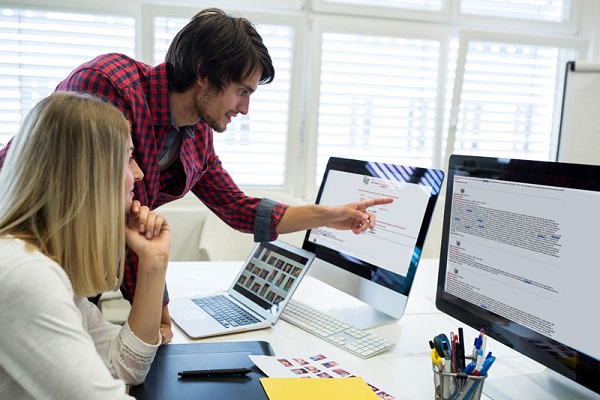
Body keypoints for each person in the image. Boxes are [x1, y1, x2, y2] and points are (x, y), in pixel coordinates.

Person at [0, 8, 393, 343]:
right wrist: (155, 304)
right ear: (205, 72)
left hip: (72, 277)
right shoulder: (109, 85)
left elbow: (238, 208)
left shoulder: (196, 135)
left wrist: (327, 216)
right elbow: (100, 205)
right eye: (242, 91)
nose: (245, 109)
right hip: (27, 263)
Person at [0, 92, 171, 399]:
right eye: (128, 158)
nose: (138, 174)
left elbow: (123, 367)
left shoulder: (45, 264)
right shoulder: (25, 273)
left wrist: (153, 262)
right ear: (90, 174)